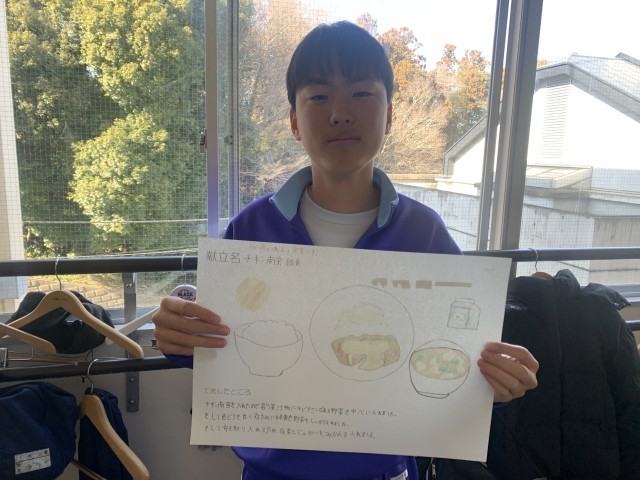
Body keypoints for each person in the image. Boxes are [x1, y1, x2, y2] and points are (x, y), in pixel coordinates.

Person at [153, 20, 539, 480]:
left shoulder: (424, 232)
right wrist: (178, 337)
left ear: (389, 115)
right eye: (318, 97)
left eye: (361, 93)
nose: (339, 113)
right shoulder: (251, 229)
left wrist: (494, 381)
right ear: (294, 122)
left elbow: (455, 354)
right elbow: (217, 346)